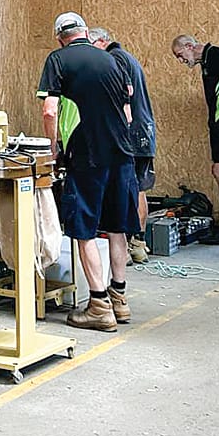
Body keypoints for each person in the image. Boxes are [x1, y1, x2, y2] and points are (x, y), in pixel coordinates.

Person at [39, 12, 138, 331]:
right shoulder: (112, 59)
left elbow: (50, 108)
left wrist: (52, 147)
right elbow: (127, 111)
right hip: (122, 153)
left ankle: (98, 305)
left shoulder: (58, 59)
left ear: (59, 37)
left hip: (88, 155)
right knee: (117, 228)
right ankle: (119, 299)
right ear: (84, 32)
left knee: (84, 230)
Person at [171, 34, 219, 245]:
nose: (181, 61)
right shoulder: (206, 61)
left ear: (189, 46)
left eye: (180, 55)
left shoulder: (214, 54)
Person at [90, 28, 157, 264]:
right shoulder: (127, 57)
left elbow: (120, 97)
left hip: (132, 134)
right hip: (143, 132)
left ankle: (127, 247)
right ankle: (138, 245)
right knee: (139, 189)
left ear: (101, 41)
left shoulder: (114, 59)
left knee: (129, 191)